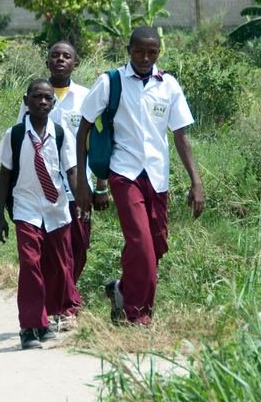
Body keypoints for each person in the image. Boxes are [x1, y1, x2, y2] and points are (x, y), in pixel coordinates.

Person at [76, 26, 205, 326]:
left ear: (159, 52)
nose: (145, 58)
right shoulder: (110, 82)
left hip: (157, 176)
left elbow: (180, 135)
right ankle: (138, 315)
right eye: (139, 51)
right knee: (141, 243)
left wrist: (196, 182)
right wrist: (85, 181)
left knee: (156, 245)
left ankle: (120, 290)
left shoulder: (168, 85)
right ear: (128, 50)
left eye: (152, 52)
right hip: (124, 173)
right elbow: (83, 128)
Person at [0, 79, 79, 350]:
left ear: (53, 104)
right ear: (26, 100)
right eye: (36, 97)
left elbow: (71, 171)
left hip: (56, 209)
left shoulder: (62, 133)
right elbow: (5, 174)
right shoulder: (15, 134)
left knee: (56, 266)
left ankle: (46, 320)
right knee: (30, 266)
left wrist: (80, 201)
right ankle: (29, 327)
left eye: (47, 98)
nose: (42, 102)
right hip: (26, 208)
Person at [16, 41, 90, 326]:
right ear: (47, 61)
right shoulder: (36, 95)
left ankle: (63, 297)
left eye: (66, 56)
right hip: (43, 191)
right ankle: (66, 307)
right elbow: (20, 139)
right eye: (55, 55)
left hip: (78, 184)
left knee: (79, 247)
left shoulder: (85, 97)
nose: (60, 59)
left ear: (76, 62)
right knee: (54, 251)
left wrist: (95, 186)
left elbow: (93, 140)